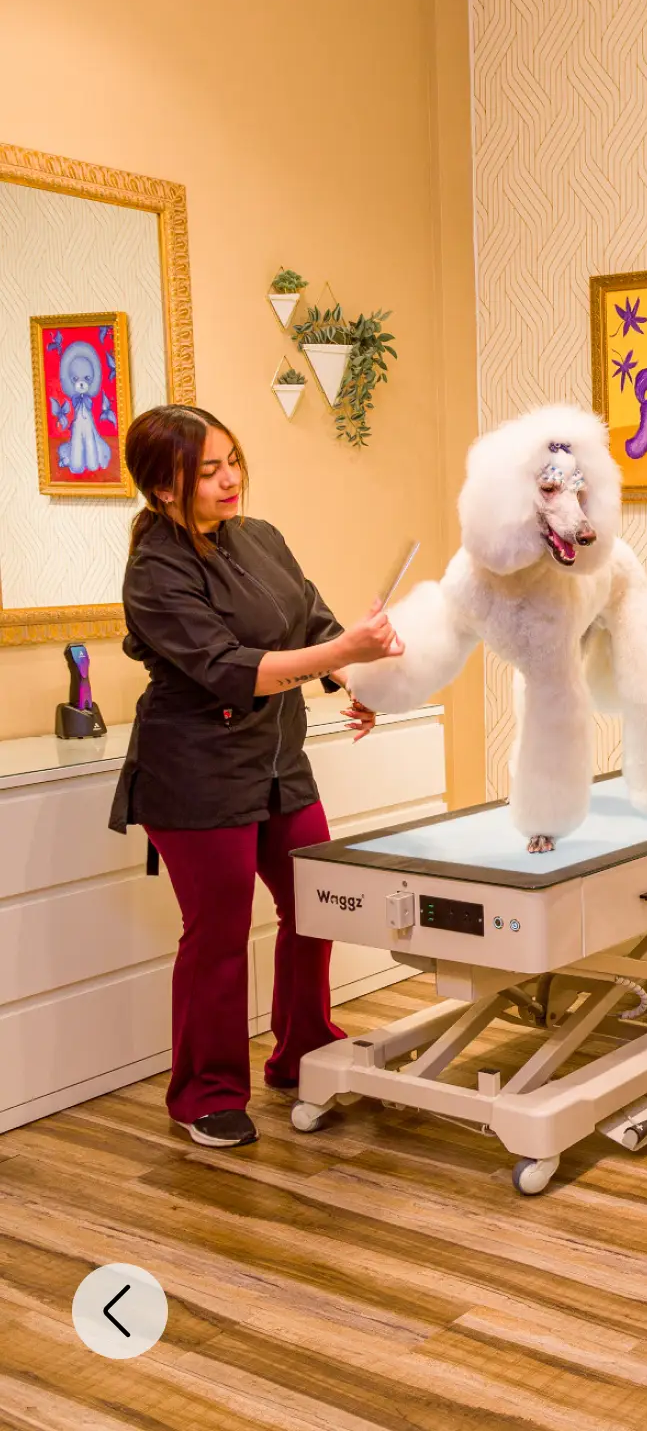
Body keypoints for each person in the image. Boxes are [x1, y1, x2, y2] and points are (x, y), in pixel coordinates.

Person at [108, 405, 404, 1149]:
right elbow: (229, 669)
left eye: (232, 460)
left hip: (277, 760)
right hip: (197, 773)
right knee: (218, 934)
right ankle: (203, 1094)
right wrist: (342, 655)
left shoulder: (258, 537)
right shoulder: (155, 571)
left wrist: (349, 679)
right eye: (208, 470)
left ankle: (303, 1050)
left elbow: (308, 620)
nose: (229, 478)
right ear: (163, 487)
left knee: (319, 900)